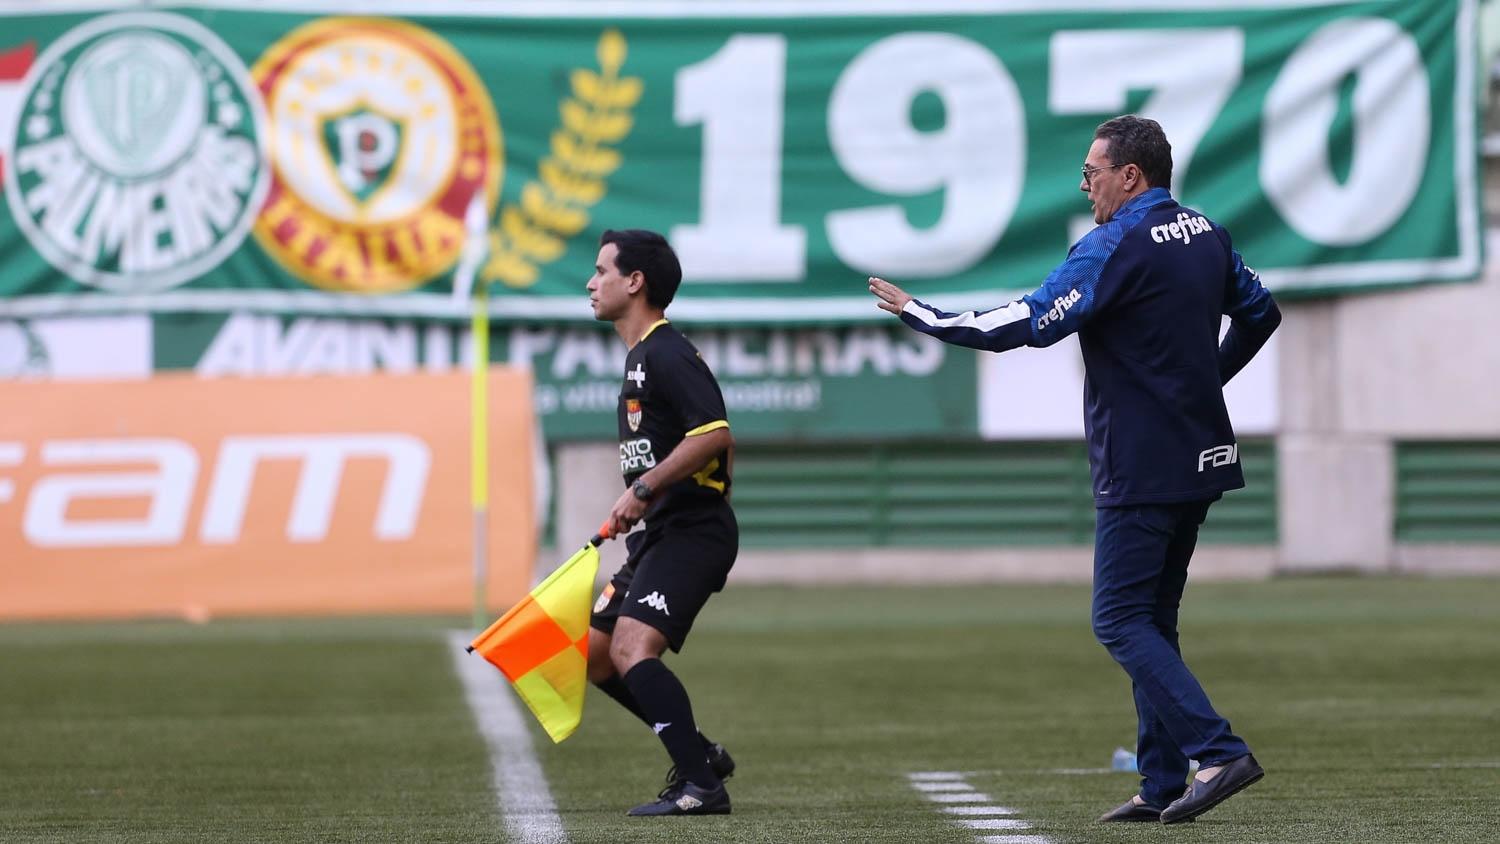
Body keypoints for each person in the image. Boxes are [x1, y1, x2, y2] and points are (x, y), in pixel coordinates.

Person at [867, 115, 1280, 825]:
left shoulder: (1115, 244)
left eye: (1093, 174)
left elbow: (1025, 323)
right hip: (1202, 457)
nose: (1086, 186)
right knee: (1153, 617)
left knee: (1118, 619)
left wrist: (922, 314)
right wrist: (1205, 383)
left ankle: (1218, 751)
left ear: (1131, 177)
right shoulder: (1207, 233)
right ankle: (1159, 783)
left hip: (1141, 463)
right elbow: (1261, 313)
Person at [584, 228, 739, 816]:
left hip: (691, 534)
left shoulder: (666, 351)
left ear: (635, 281)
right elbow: (721, 447)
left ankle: (702, 788)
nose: (591, 282)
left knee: (631, 648)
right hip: (659, 536)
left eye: (601, 270)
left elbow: (716, 433)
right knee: (598, 657)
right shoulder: (641, 357)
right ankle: (700, 753)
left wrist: (649, 488)